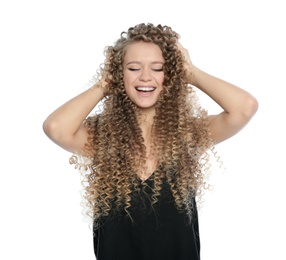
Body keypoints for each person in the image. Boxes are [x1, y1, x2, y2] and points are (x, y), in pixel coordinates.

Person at [43, 23, 258, 260]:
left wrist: (192, 73)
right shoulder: (102, 136)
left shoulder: (188, 133)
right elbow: (56, 127)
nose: (145, 77)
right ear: (118, 74)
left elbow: (244, 108)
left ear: (171, 74)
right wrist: (104, 84)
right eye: (134, 68)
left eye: (158, 68)